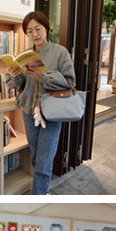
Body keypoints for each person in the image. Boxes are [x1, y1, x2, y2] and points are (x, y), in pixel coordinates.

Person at [6, 10, 77, 195]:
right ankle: (43, 190)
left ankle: (39, 196)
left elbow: (70, 81)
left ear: (46, 28)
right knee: (36, 157)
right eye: (29, 31)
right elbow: (19, 85)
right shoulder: (25, 55)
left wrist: (43, 77)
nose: (35, 34)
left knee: (44, 161)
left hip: (51, 112)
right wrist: (14, 76)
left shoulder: (60, 52)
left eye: (38, 29)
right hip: (29, 111)